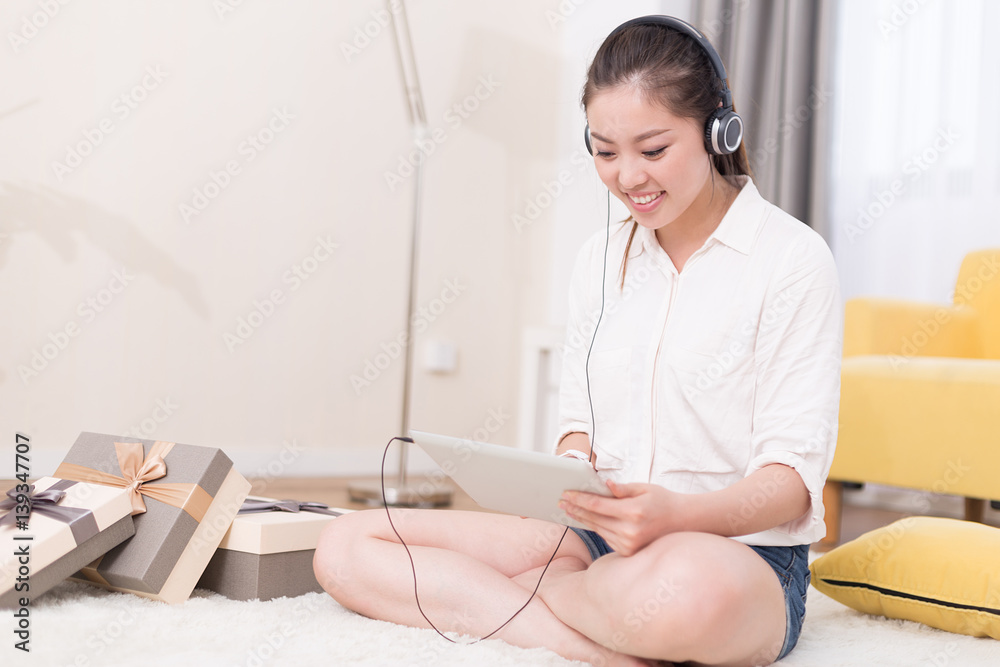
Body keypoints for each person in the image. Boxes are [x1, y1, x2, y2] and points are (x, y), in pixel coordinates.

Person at [314, 15, 842, 667]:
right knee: (348, 545)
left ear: (717, 131)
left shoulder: (791, 259)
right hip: (594, 539)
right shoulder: (599, 258)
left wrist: (676, 515)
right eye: (604, 150)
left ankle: (511, 601)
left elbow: (790, 486)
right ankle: (597, 642)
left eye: (653, 150)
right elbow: (579, 426)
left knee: (687, 594)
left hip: (734, 554)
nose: (627, 178)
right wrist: (568, 465)